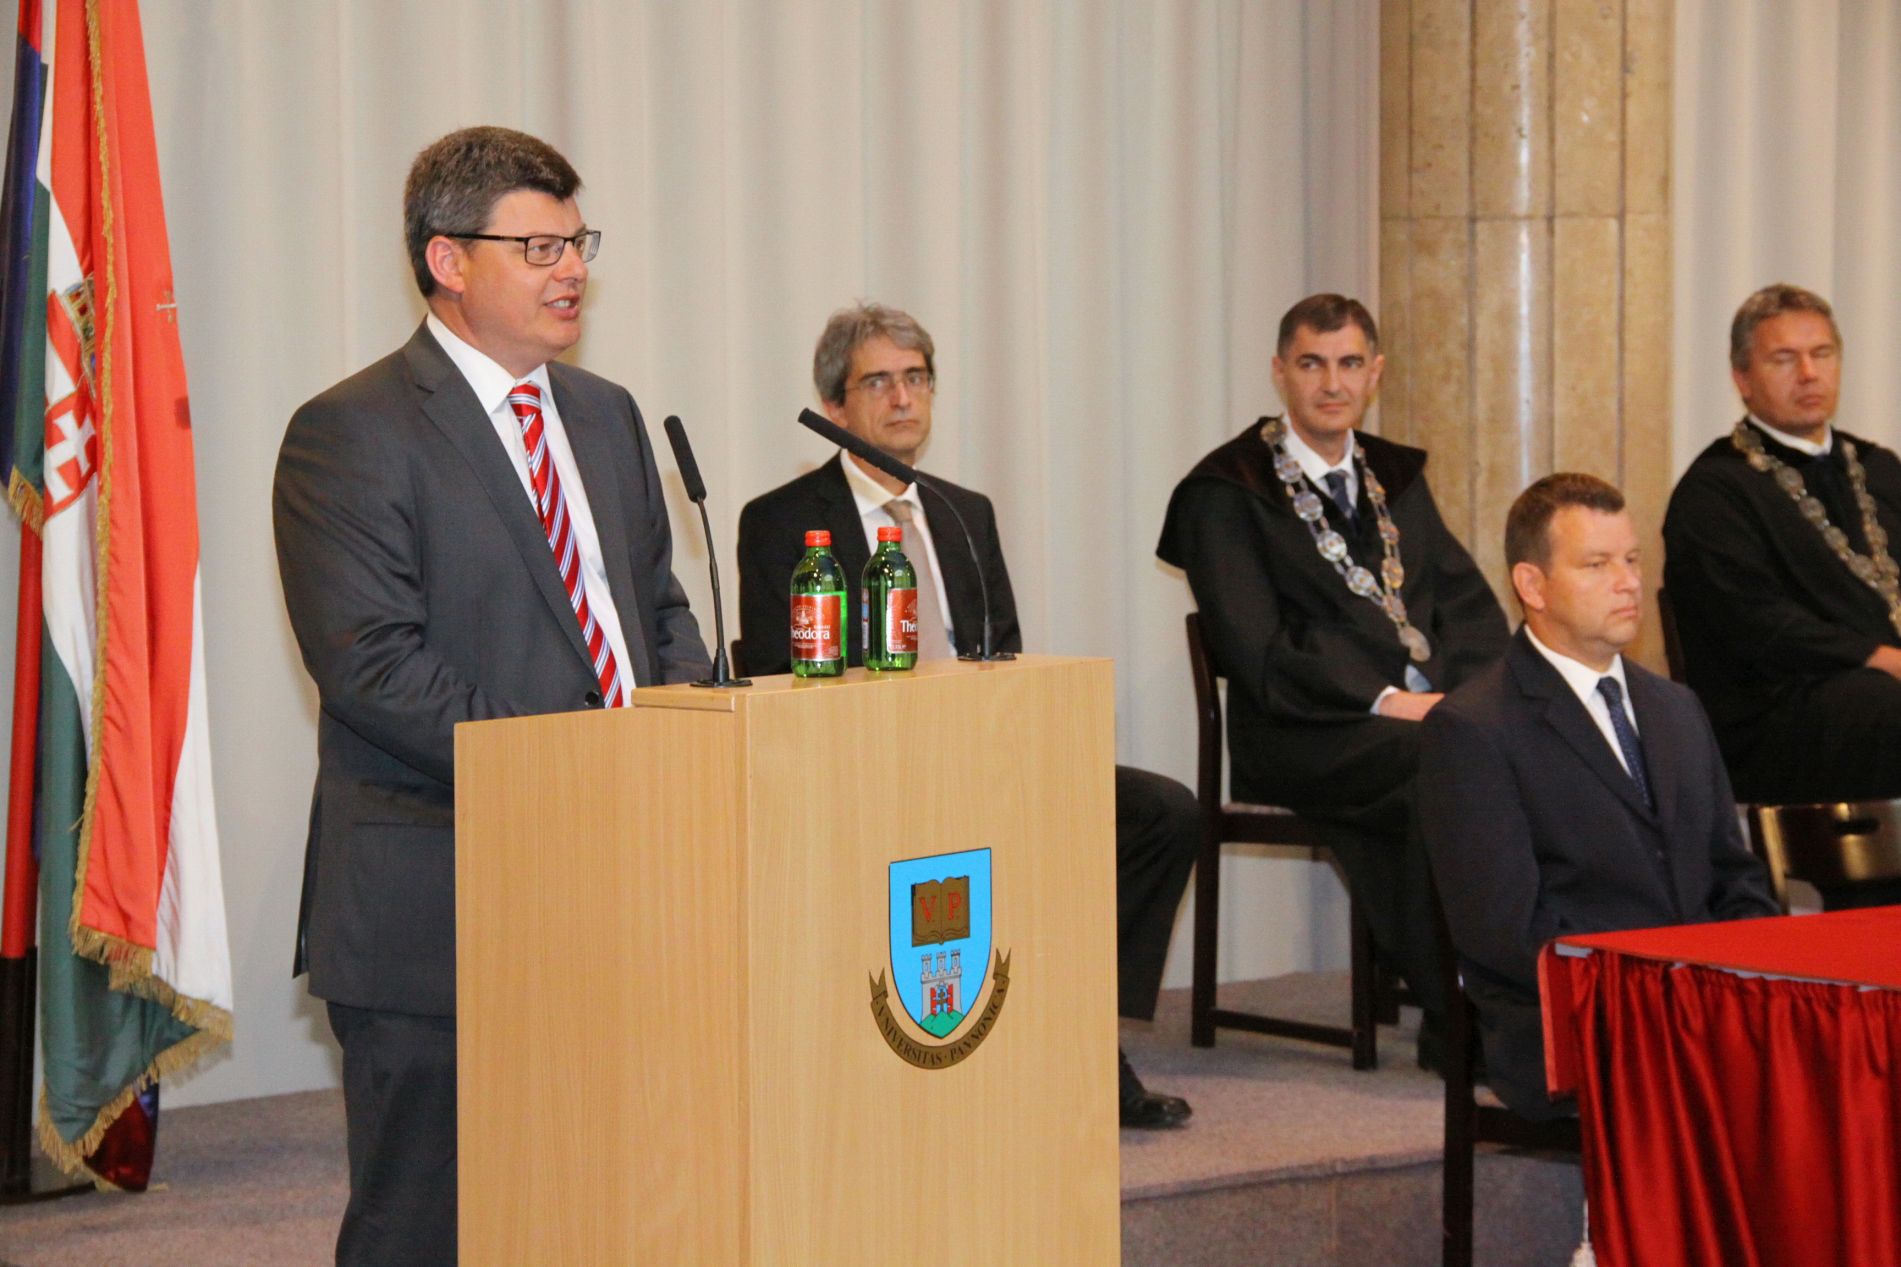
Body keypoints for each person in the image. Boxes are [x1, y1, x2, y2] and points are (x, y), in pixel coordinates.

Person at [274, 127, 708, 1265]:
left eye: (577, 243)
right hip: (441, 895)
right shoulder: (351, 431)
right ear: (448, 261)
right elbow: (374, 667)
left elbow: (654, 611)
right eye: (538, 248)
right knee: (427, 1224)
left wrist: (686, 731)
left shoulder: (606, 413)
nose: (571, 272)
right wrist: (582, 763)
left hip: (621, 878)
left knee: (598, 1203)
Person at [737, 302, 1199, 1128]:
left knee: (1161, 811)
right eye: (878, 382)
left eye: (916, 378)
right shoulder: (780, 521)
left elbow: (1003, 653)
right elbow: (777, 671)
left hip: (981, 756)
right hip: (862, 767)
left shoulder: (961, 511)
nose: (902, 398)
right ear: (834, 405)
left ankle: (1083, 1028)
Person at [1156, 293, 1509, 1068]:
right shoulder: (1226, 490)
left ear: (1374, 373)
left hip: (1419, 718)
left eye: (1349, 364)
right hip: (1298, 730)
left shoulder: (1395, 476)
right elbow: (1259, 647)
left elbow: (1466, 607)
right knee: (1439, 762)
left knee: (1518, 748)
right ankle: (1461, 1017)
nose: (1331, 383)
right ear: (1279, 372)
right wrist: (1390, 700)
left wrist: (1468, 698)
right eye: (1311, 364)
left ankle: (1522, 988)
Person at [1420, 474, 1777, 1119]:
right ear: (1532, 586)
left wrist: (1752, 982)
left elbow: (1735, 877)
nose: (1629, 582)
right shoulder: (1474, 727)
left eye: (1633, 560)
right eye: (1597, 564)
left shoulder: (1676, 707)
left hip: (1698, 1010)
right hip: (1579, 1021)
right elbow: (1507, 932)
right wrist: (1663, 994)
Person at [1664, 284, 1901, 818]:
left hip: (1875, 691)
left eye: (1822, 354)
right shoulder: (1713, 491)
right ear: (1742, 379)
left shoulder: (1879, 468)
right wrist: (1884, 659)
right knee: (1884, 706)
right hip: (1778, 715)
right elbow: (1758, 625)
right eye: (1784, 359)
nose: (1809, 374)